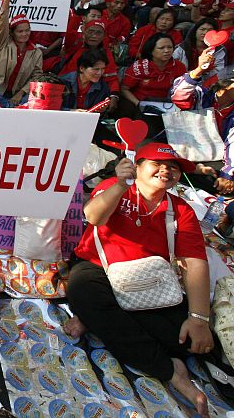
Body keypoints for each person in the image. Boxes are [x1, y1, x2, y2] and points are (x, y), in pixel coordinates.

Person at [66, 143, 210, 417]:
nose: (166, 170)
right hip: (100, 269)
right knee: (84, 291)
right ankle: (170, 370)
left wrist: (198, 318)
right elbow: (93, 216)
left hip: (149, 280)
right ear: (138, 167)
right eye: (157, 164)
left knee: (183, 338)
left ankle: (94, 319)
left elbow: (194, 262)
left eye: (173, 167)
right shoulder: (114, 186)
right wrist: (121, 184)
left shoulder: (181, 210)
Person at [172, 51, 234, 196]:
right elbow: (178, 96)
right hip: (183, 148)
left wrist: (228, 174)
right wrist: (199, 69)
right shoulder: (202, 95)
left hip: (215, 156)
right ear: (224, 86)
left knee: (217, 181)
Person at [0, 0, 43, 105]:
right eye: (20, 31)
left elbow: (36, 76)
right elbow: (1, 24)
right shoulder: (4, 44)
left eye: (27, 30)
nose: (24, 34)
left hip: (19, 97)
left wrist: (21, 93)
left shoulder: (36, 53)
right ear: (12, 33)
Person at [121, 32, 187, 110]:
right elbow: (124, 89)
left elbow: (183, 90)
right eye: (161, 48)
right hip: (140, 105)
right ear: (151, 50)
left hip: (168, 105)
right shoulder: (139, 66)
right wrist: (138, 104)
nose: (166, 50)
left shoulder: (179, 66)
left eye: (170, 47)